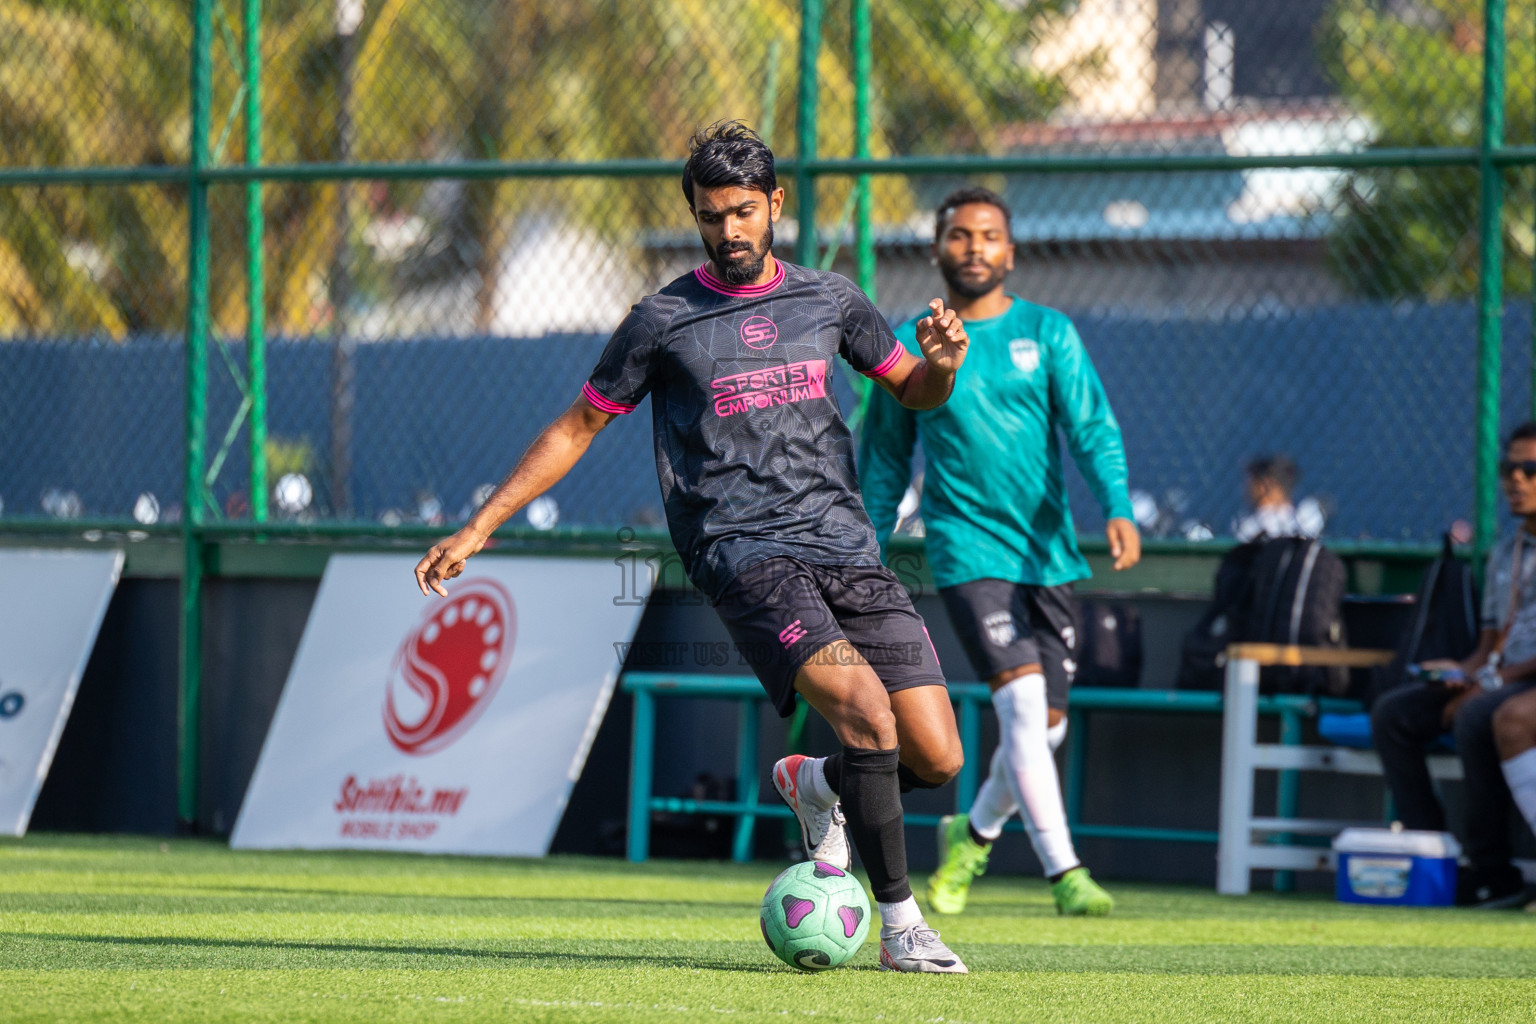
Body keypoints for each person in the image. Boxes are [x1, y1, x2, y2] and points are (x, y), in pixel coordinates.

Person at [414, 122, 972, 972]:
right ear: (696, 217)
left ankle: (814, 782)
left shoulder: (835, 301)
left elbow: (917, 392)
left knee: (935, 754)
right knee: (865, 712)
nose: (731, 231)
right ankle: (901, 927)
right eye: (712, 217)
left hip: (847, 547)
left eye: (744, 212)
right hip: (743, 552)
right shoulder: (662, 321)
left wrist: (943, 367)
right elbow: (577, 428)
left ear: (776, 204)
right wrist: (478, 526)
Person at [861, 186, 1141, 917]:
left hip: (1047, 556)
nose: (975, 247)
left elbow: (1092, 428)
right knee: (1019, 709)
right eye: (960, 235)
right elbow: (887, 458)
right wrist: (867, 539)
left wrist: (1115, 504)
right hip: (966, 550)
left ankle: (973, 832)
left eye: (989, 236)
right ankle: (1065, 873)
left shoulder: (1049, 334)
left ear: (1010, 253)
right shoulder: (910, 339)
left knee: (1045, 730)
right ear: (937, 249)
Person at [1371, 421, 1536, 908]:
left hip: (1521, 684)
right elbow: (1488, 644)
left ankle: (1492, 870)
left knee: (1474, 714)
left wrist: (1490, 681)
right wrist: (1460, 672)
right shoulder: (1507, 552)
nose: (1516, 480)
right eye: (1509, 469)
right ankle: (1436, 857)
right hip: (1497, 677)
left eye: (1530, 470)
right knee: (1393, 713)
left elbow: (1502, 668)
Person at [1233, 455, 1313, 542]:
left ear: (1264, 485)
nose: (1247, 487)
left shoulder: (1250, 525)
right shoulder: (1304, 522)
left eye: (1253, 480)